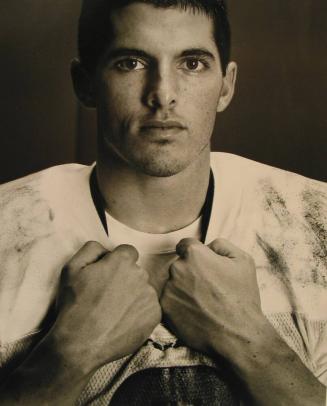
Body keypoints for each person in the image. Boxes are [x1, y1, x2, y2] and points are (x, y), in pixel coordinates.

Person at [0, 0, 326, 404]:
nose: (163, 95)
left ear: (226, 85)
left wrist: (249, 341)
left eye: (192, 64)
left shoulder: (316, 224)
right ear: (84, 83)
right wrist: (69, 354)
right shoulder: (6, 231)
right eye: (131, 63)